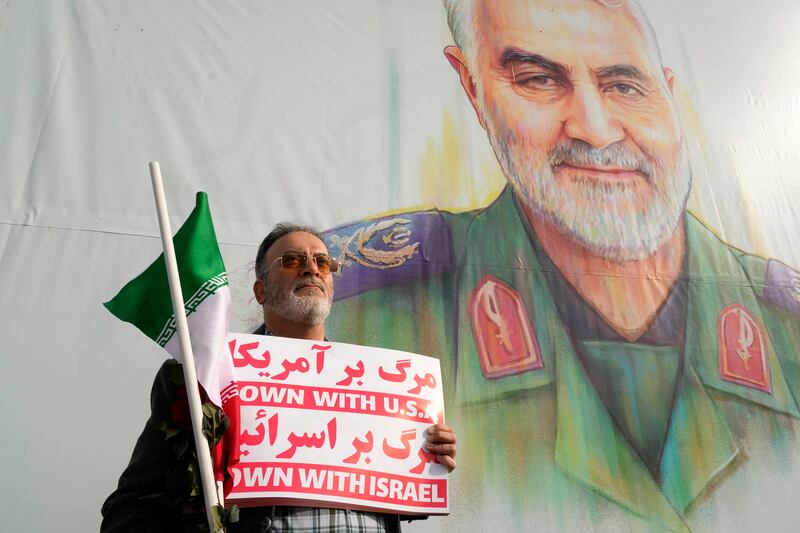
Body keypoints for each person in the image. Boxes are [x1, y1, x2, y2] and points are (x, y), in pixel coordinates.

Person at [321, 0, 800, 531]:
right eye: (537, 79)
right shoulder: (354, 320)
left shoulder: (790, 328)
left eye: (624, 85)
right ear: (473, 90)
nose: (596, 130)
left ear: (668, 92)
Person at [102, 223, 457, 532]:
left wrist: (422, 462)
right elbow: (133, 508)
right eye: (292, 260)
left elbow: (384, 492)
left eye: (322, 262)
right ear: (261, 291)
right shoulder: (205, 374)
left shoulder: (383, 381)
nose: (311, 270)